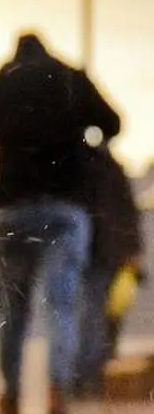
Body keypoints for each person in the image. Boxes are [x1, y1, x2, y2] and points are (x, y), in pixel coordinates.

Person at [0, 33, 121, 414]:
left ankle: (10, 401)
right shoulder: (70, 77)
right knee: (60, 308)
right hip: (65, 208)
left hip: (11, 209)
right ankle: (56, 396)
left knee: (14, 312)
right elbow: (114, 123)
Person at [74, 145, 143, 398]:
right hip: (109, 253)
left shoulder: (79, 167)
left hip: (91, 252)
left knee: (93, 314)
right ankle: (93, 374)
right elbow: (128, 213)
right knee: (105, 315)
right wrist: (133, 250)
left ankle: (88, 376)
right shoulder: (112, 169)